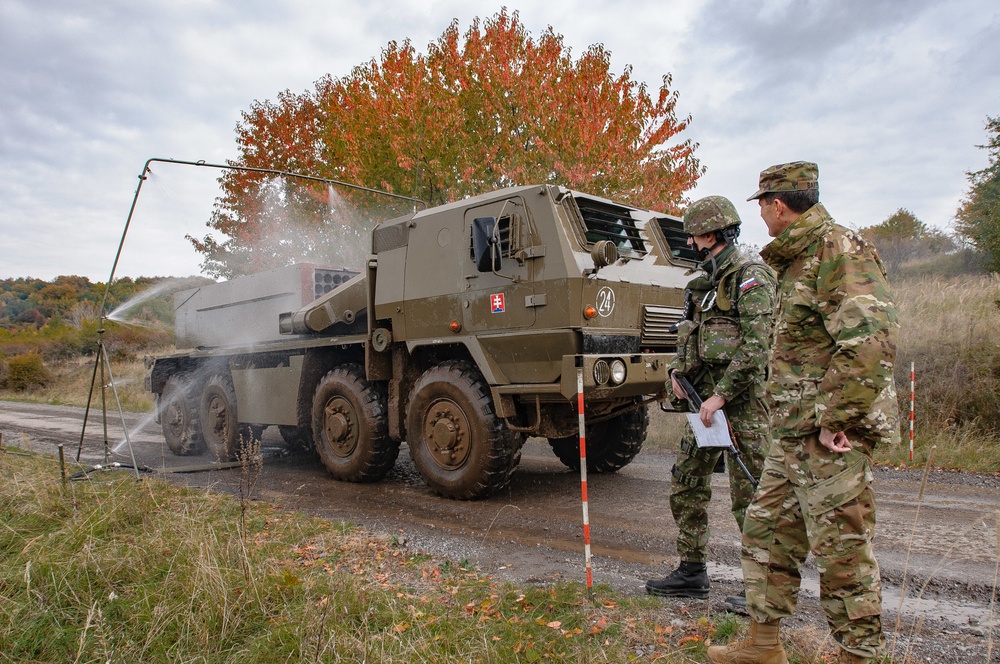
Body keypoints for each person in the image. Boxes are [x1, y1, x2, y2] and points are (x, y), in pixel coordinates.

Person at [707, 162, 900, 664]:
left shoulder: (837, 248)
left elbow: (870, 343)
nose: (763, 217)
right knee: (766, 533)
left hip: (831, 434)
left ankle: (859, 656)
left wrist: (838, 417)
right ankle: (763, 646)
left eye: (763, 206)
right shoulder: (791, 260)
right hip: (791, 432)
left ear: (777, 205)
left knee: (841, 551)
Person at [645, 196, 774, 609]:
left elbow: (757, 347)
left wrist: (721, 396)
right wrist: (677, 376)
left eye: (694, 234)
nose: (690, 242)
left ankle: (763, 587)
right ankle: (692, 571)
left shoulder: (750, 277)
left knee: (749, 497)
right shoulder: (702, 283)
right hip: (703, 405)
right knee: (686, 483)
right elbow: (691, 336)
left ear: (712, 234)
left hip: (740, 406)